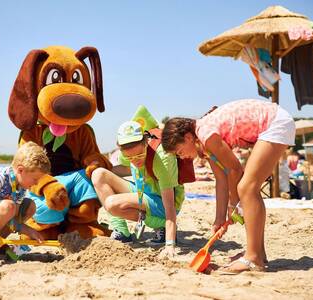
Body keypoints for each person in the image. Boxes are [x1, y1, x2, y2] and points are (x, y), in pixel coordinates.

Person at [161, 99, 295, 274]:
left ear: (188, 138)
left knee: (247, 188)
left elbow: (234, 168)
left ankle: (253, 259)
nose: (183, 157)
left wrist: (233, 203)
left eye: (180, 152)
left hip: (275, 122)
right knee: (248, 190)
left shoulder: (205, 133)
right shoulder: (204, 145)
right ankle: (258, 253)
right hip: (274, 123)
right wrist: (219, 219)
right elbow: (221, 180)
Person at [91, 121, 185, 259]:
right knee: (98, 174)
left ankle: (162, 226)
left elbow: (170, 207)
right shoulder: (127, 154)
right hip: (144, 193)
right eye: (130, 157)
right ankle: (123, 233)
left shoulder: (163, 158)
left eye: (140, 155)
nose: (135, 161)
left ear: (146, 143)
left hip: (163, 204)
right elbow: (127, 169)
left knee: (111, 204)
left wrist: (170, 244)